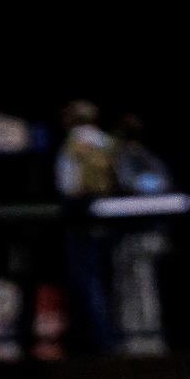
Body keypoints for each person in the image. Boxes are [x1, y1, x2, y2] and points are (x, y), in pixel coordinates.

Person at [54, 100, 119, 355]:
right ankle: (113, 337)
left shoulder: (74, 144)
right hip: (110, 216)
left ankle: (98, 342)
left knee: (86, 281)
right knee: (108, 278)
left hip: (81, 215)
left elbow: (67, 184)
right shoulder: (108, 142)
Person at [108, 112, 173, 356]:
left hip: (139, 234)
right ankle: (143, 340)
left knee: (139, 287)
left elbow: (139, 186)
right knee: (140, 286)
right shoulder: (150, 159)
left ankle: (144, 342)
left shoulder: (130, 158)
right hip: (144, 233)